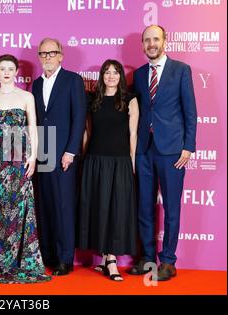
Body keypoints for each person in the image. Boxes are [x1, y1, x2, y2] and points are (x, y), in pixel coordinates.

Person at [0, 55, 51, 283]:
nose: (6, 72)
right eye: (2, 68)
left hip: (19, 160)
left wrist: (33, 156)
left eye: (10, 68)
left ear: (16, 72)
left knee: (21, 207)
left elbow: (33, 129)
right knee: (2, 211)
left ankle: (18, 259)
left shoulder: (26, 97)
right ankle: (0, 257)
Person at [128, 25, 197, 281]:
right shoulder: (138, 74)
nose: (151, 44)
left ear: (165, 41)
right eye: (147, 40)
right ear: (143, 45)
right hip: (145, 150)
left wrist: (189, 147)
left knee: (171, 208)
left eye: (156, 39)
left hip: (173, 152)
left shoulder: (181, 70)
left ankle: (168, 260)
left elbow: (190, 111)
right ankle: (147, 258)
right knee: (144, 207)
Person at [78, 59, 139, 281]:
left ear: (121, 76)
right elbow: (86, 130)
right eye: (107, 72)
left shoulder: (129, 100)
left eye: (115, 72)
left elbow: (133, 134)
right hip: (95, 160)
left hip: (120, 161)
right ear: (102, 76)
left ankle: (112, 260)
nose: (111, 76)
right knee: (99, 209)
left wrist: (132, 162)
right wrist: (84, 157)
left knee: (117, 209)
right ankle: (105, 258)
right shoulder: (93, 99)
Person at [32, 38, 87, 276]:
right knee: (44, 206)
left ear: (61, 56)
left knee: (63, 206)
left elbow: (79, 117)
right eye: (43, 54)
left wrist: (71, 151)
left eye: (52, 53)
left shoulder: (72, 80)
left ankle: (65, 259)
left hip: (64, 152)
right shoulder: (34, 85)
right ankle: (49, 255)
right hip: (42, 151)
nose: (47, 57)